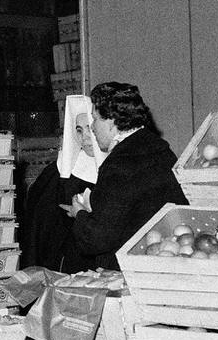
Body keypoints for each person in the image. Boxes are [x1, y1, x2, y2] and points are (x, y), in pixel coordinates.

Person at [58, 81, 186, 272]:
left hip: (127, 271)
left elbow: (97, 239)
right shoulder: (162, 150)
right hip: (163, 259)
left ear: (111, 122)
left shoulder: (118, 164)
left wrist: (80, 215)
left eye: (95, 119)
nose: (92, 127)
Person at [19, 95, 104, 271]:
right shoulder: (59, 170)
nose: (85, 138)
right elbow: (39, 226)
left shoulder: (115, 169)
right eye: (79, 131)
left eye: (90, 128)